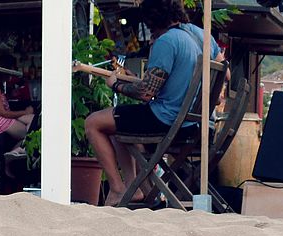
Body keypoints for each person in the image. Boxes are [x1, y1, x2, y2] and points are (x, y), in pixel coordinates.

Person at [84, 0, 224, 207]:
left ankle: (117, 188)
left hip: (168, 121)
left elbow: (147, 93)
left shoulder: (167, 41)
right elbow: (225, 71)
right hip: (197, 124)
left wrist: (116, 85)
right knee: (117, 123)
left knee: (94, 122)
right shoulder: (201, 35)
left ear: (152, 20)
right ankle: (140, 189)